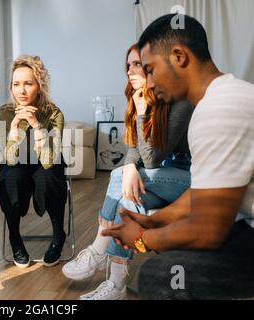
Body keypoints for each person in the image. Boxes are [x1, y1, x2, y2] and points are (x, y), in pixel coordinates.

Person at [103, 14, 254, 299]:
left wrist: (141, 239)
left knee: (159, 276)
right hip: (245, 223)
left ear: (179, 56)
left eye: (150, 69)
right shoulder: (223, 97)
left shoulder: (220, 109)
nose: (147, 82)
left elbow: (208, 231)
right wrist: (156, 221)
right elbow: (201, 193)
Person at [62, 43, 194, 300]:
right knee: (126, 201)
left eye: (137, 65)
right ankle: (117, 284)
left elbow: (153, 160)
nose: (130, 72)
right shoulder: (139, 100)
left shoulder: (180, 103)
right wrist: (131, 166)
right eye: (128, 66)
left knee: (117, 175)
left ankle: (99, 248)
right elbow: (133, 152)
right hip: (161, 180)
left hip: (189, 179)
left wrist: (143, 115)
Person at [0, 55, 67, 268]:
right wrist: (15, 126)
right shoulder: (5, 113)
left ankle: (58, 236)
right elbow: (8, 158)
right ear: (11, 87)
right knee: (12, 176)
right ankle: (15, 238)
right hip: (17, 164)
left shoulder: (54, 114)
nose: (21, 91)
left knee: (49, 176)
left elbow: (47, 161)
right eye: (16, 84)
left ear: (39, 86)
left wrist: (36, 125)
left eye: (28, 83)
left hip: (46, 162)